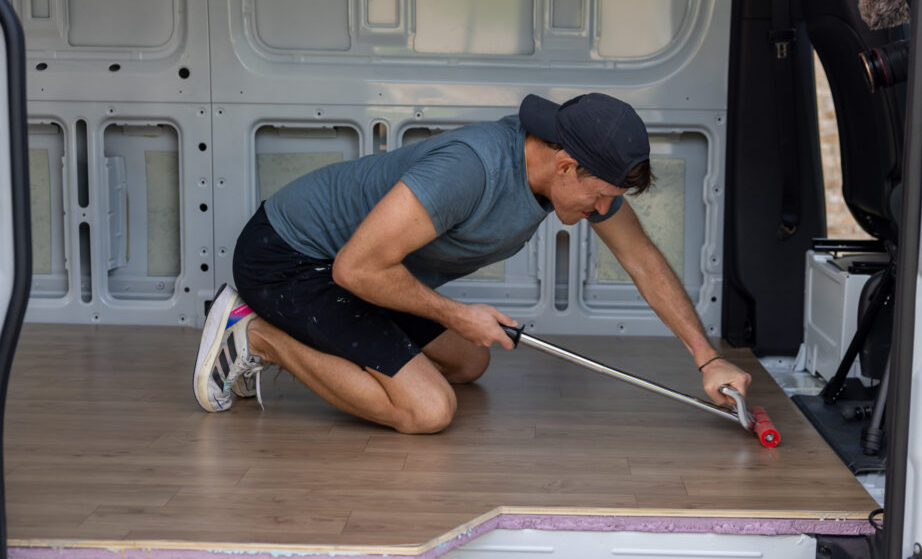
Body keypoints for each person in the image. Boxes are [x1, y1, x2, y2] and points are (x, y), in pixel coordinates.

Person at [192, 93, 752, 432]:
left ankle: (296, 333)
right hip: (292, 258)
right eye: (599, 197)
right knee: (428, 410)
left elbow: (643, 261)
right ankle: (256, 334)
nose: (604, 211)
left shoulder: (583, 174)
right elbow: (356, 271)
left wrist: (707, 360)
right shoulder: (471, 169)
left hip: (359, 268)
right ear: (564, 166)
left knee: (469, 365)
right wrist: (457, 314)